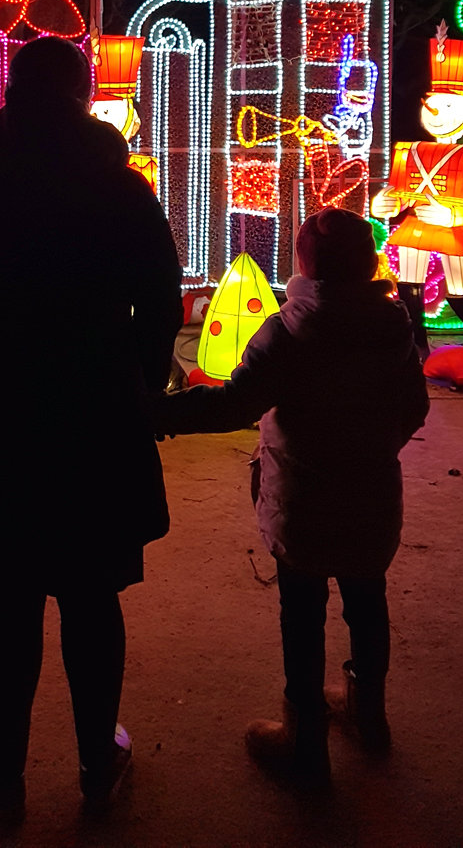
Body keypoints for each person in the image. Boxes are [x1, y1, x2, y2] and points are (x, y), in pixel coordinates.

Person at [0, 36, 183, 818]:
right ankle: (99, 763)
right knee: (93, 592)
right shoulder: (122, 188)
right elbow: (162, 299)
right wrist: (141, 377)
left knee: (11, 593)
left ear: (13, 92)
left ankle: (7, 772)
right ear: (83, 92)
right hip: (97, 399)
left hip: (1, 400)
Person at [155, 209, 428, 784]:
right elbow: (415, 407)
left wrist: (156, 413)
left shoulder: (287, 329)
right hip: (373, 497)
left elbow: (232, 406)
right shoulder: (396, 326)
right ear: (372, 262)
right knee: (367, 600)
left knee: (301, 614)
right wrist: (375, 448)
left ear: (303, 264)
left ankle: (304, 739)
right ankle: (368, 713)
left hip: (301, 500)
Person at [372, 22, 463, 358]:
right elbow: (398, 195)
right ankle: (419, 345)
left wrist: (453, 214)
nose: (438, 114)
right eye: (434, 106)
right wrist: (383, 203)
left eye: (450, 107)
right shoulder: (408, 150)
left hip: (453, 229)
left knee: (460, 288)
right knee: (410, 283)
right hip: (416, 226)